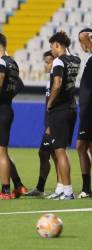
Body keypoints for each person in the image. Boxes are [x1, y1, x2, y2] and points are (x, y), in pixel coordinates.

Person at [0, 33, 27, 200]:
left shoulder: (0, 62)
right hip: (6, 108)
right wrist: (7, 97)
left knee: (0, 151)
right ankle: (18, 185)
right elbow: (18, 85)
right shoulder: (13, 63)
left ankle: (5, 191)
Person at [47, 31, 81, 200]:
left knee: (60, 151)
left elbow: (57, 83)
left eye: (52, 46)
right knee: (61, 150)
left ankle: (67, 191)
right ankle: (61, 188)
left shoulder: (58, 61)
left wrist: (50, 102)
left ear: (58, 45)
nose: (51, 50)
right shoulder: (76, 59)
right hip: (72, 107)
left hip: (60, 108)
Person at [26, 51, 60, 197]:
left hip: (53, 123)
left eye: (48, 61)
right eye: (45, 61)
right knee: (48, 153)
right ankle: (41, 188)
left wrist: (51, 124)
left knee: (54, 154)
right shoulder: (50, 80)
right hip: (49, 122)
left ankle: (62, 187)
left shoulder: (57, 80)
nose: (46, 65)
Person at [76, 28, 92, 198]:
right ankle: (87, 188)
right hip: (86, 110)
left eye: (83, 40)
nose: (81, 44)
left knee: (81, 146)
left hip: (89, 111)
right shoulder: (89, 60)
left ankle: (87, 188)